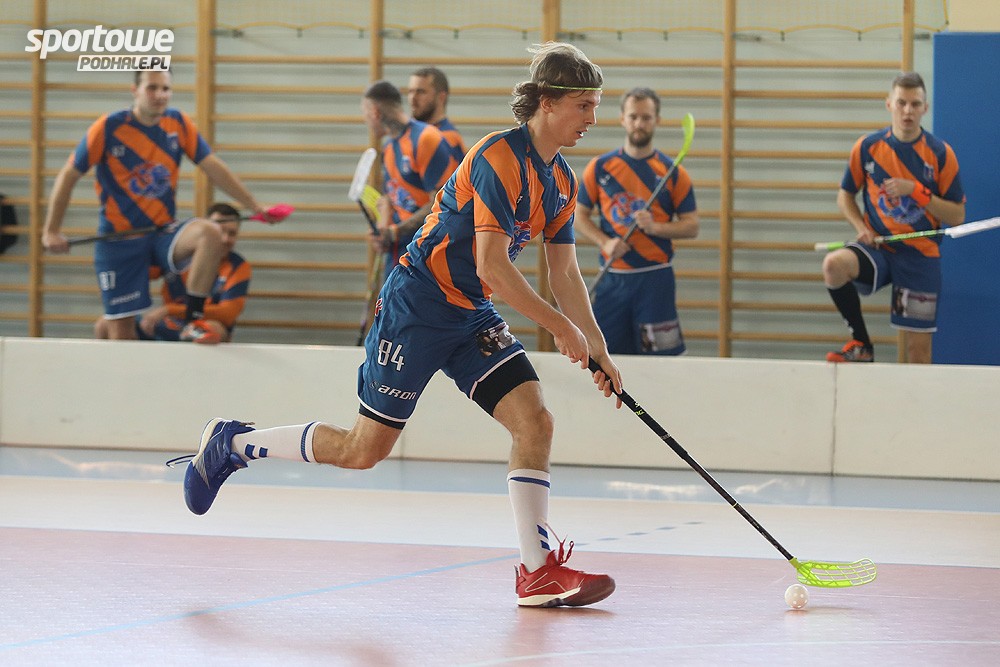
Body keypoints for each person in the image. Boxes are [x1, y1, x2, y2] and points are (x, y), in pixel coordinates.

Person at [178, 42, 623, 609]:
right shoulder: (498, 158)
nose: (592, 118)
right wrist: (561, 328)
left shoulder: (561, 180)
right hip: (417, 307)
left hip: (470, 313)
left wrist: (598, 348)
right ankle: (233, 444)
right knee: (363, 451)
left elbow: (566, 273)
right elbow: (493, 265)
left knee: (535, 422)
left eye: (595, 106)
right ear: (547, 102)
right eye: (584, 105)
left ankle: (536, 573)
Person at [42, 69, 271, 343]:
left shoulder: (178, 124)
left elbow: (212, 166)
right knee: (119, 334)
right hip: (119, 239)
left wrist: (255, 206)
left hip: (162, 233)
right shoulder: (108, 127)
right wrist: (51, 230)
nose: (160, 95)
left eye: (166, 89)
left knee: (210, 232)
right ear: (135, 90)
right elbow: (68, 175)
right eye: (152, 88)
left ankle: (193, 320)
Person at [823, 71, 965, 364]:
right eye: (902, 103)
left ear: (925, 108)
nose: (908, 111)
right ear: (889, 104)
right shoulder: (867, 147)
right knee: (833, 265)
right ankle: (862, 345)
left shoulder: (941, 154)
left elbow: (957, 216)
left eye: (915, 104)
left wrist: (917, 191)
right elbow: (844, 196)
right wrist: (861, 227)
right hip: (878, 249)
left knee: (917, 353)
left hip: (920, 257)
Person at [575, 87, 699, 355]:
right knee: (604, 357)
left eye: (646, 117)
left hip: (656, 281)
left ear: (657, 120)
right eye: (633, 117)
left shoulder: (673, 173)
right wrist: (605, 242)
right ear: (623, 119)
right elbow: (579, 216)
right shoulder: (599, 168)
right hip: (613, 280)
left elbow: (692, 226)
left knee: (661, 359)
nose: (639, 124)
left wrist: (656, 227)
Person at [93, 203, 251, 343]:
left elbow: (228, 314)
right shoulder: (178, 252)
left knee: (212, 327)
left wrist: (168, 310)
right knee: (104, 324)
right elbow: (136, 274)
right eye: (219, 231)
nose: (224, 239)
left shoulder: (238, 266)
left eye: (232, 233)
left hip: (201, 326)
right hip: (168, 324)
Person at [362, 80, 458, 269]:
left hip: (426, 254)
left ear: (375, 112)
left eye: (365, 114)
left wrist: (396, 232)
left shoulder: (425, 138)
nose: (365, 120)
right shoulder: (389, 147)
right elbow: (391, 197)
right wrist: (383, 229)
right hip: (397, 252)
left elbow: (442, 201)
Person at [408, 66, 467, 162]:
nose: (413, 98)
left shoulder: (448, 140)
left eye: (421, 92)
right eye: (410, 91)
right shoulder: (406, 135)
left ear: (441, 97)